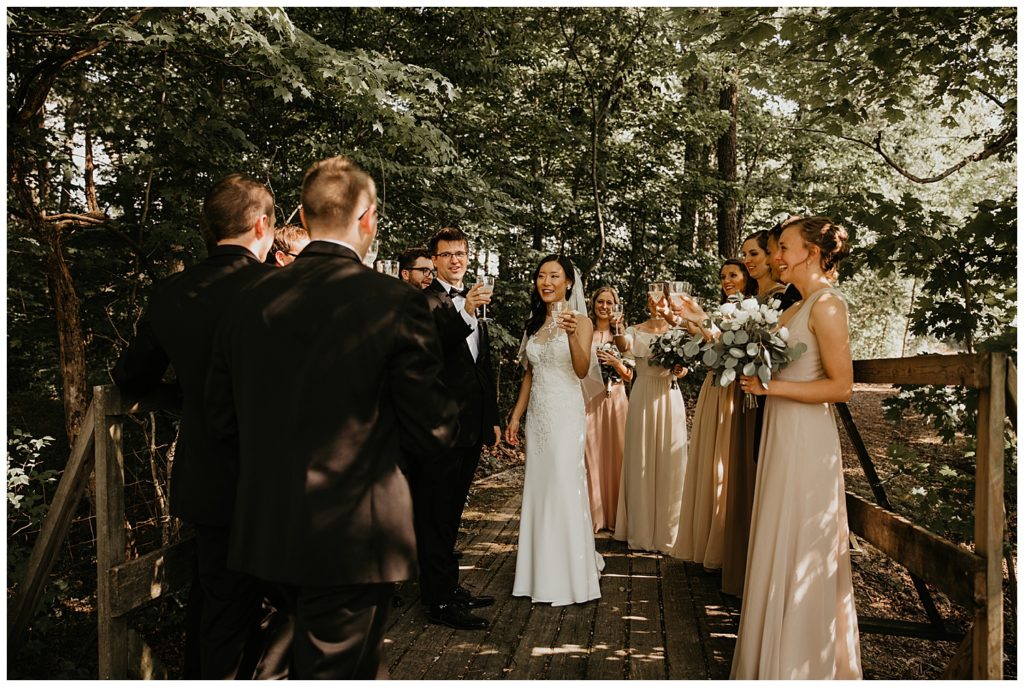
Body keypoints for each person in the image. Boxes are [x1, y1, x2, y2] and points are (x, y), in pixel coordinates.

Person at [205, 156, 459, 679]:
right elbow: (433, 431)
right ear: (367, 217)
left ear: (302, 211)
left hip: (264, 527)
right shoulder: (395, 302)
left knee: (298, 657)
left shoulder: (249, 298)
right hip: (354, 533)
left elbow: (221, 418)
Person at [111, 174, 282, 679]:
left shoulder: (173, 293)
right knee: (280, 608)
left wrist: (184, 397)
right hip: (279, 481)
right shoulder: (280, 290)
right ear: (260, 224)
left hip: (208, 478)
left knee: (218, 603)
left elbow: (129, 377)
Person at [731, 216, 862, 679]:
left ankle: (800, 663)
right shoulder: (793, 307)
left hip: (806, 438)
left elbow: (841, 386)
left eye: (783, 247)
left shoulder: (827, 306)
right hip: (781, 434)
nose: (776, 257)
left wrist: (770, 390)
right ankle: (773, 653)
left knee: (801, 540)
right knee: (775, 534)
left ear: (809, 251)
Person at [505, 255, 604, 605]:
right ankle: (536, 572)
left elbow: (581, 370)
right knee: (540, 487)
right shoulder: (534, 324)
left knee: (564, 485)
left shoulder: (582, 321)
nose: (546, 282)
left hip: (565, 414)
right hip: (539, 417)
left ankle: (570, 572)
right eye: (541, 276)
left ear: (569, 283)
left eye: (554, 276)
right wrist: (517, 415)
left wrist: (572, 334)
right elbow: (531, 373)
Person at [416, 227, 500, 629]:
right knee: (435, 513)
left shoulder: (475, 299)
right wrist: (464, 310)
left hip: (470, 426)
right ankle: (437, 600)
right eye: (446, 254)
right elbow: (431, 348)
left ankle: (447, 586)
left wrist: (493, 418)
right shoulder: (424, 301)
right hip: (439, 427)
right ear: (433, 260)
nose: (454, 260)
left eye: (460, 253)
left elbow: (481, 368)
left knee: (452, 513)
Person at [670, 260, 756, 569]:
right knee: (709, 461)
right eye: (723, 276)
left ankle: (721, 544)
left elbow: (726, 345)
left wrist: (701, 325)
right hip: (713, 386)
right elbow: (709, 351)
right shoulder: (722, 312)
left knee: (724, 462)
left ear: (747, 276)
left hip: (733, 389)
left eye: (733, 274)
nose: (727, 280)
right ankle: (707, 539)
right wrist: (693, 326)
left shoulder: (752, 310)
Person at [612, 282, 689, 554]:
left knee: (671, 461)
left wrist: (680, 370)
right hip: (643, 393)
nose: (658, 305)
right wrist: (617, 328)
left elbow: (685, 369)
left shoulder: (679, 332)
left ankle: (670, 533)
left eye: (663, 301)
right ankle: (641, 532)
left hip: (669, 396)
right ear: (648, 302)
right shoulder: (634, 330)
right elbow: (624, 346)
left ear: (670, 304)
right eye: (654, 300)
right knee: (641, 459)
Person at [583, 286, 632, 532]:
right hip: (589, 399)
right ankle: (594, 515)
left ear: (616, 306)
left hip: (616, 399)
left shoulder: (623, 335)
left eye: (609, 303)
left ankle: (616, 516)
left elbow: (631, 372)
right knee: (591, 453)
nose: (604, 306)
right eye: (600, 301)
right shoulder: (585, 332)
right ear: (593, 304)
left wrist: (616, 362)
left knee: (617, 454)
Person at [741, 229, 786, 301]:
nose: (746, 261)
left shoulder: (780, 295)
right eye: (744, 255)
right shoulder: (748, 296)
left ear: (769, 254)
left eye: (754, 254)